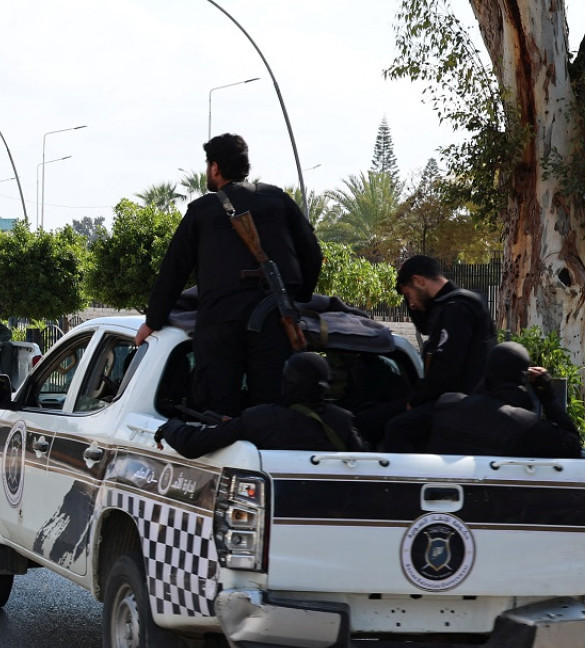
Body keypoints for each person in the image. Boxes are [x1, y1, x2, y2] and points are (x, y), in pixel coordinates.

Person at [134, 133, 323, 417]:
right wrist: (294, 300)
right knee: (271, 412)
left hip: (221, 324)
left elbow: (174, 270)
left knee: (217, 412)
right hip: (274, 321)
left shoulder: (202, 211)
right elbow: (312, 253)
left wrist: (153, 321)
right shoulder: (278, 201)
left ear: (215, 168)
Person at [362, 254, 497, 445]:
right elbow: (424, 325)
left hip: (460, 404)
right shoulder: (449, 306)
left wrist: (415, 401)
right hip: (452, 400)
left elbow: (445, 370)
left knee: (396, 427)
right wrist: (409, 293)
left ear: (419, 281)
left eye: (408, 296)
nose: (411, 305)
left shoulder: (457, 308)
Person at [387, 342, 581, 458]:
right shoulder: (524, 424)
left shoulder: (446, 406)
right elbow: (572, 446)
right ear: (521, 379)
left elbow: (397, 427)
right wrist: (547, 396)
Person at [155, 352, 365, 459]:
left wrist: (170, 426)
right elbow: (365, 462)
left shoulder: (262, 419)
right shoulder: (343, 421)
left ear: (287, 381)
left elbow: (192, 445)